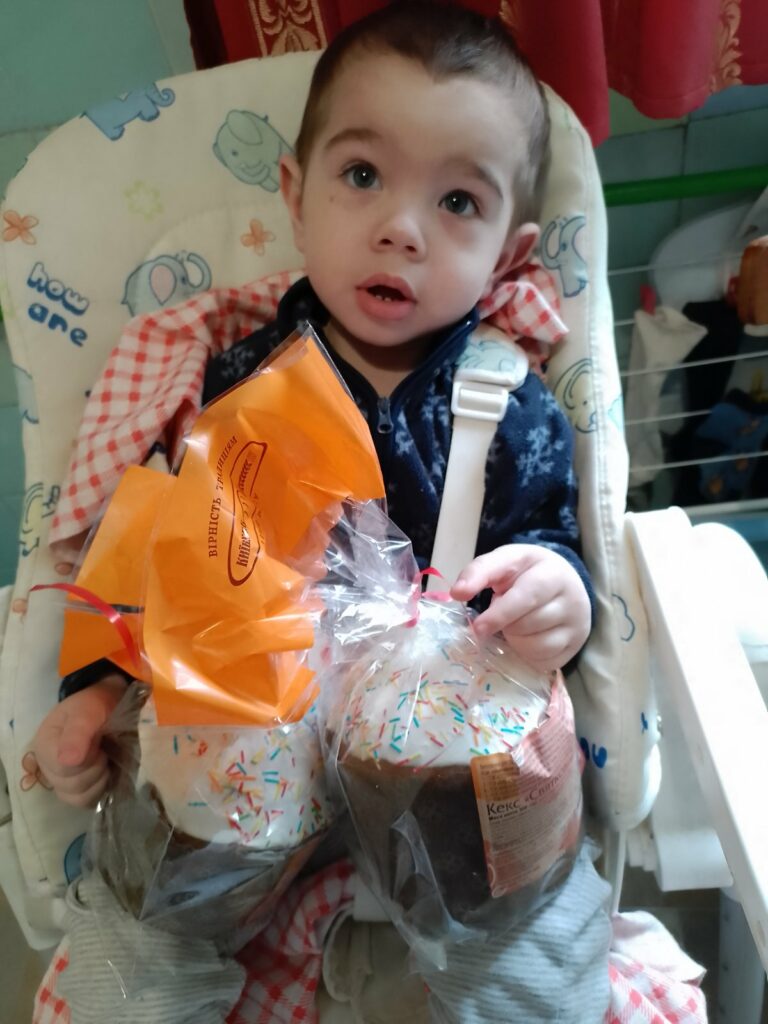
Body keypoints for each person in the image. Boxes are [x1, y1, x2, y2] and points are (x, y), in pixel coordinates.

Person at [35, 1, 592, 807]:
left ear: (507, 256)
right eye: (363, 176)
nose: (401, 229)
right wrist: (94, 690)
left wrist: (560, 593)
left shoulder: (510, 405)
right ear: (295, 200)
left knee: (507, 831)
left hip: (438, 749)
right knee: (188, 830)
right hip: (261, 752)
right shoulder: (239, 384)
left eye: (458, 202)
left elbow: (549, 535)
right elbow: (159, 558)